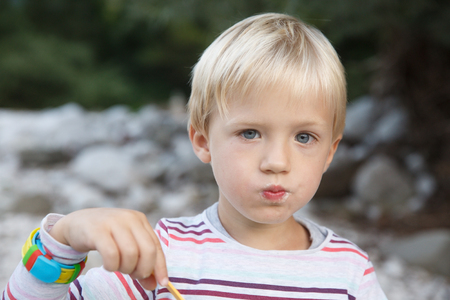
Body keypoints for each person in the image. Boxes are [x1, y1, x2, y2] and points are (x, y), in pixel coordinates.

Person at [3, 13, 387, 299]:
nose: (277, 161)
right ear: (202, 141)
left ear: (330, 152)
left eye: (304, 137)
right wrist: (64, 239)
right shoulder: (161, 258)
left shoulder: (349, 274)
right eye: (249, 133)